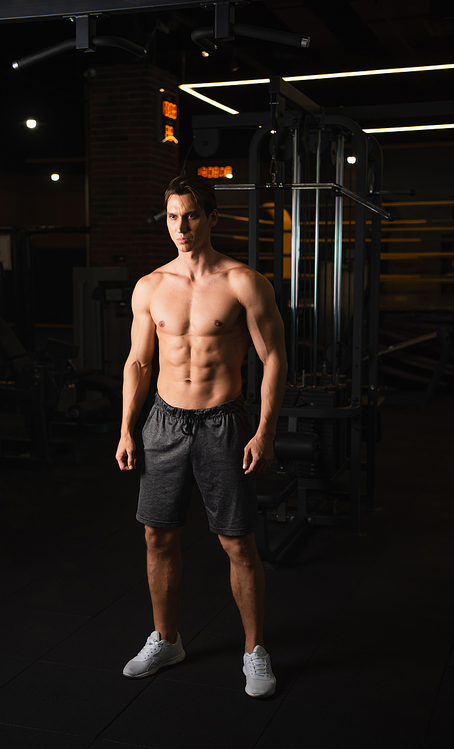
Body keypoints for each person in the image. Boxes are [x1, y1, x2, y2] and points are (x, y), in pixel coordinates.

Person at [115, 175, 287, 698]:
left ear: (211, 217)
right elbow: (140, 361)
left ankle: (254, 651)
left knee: (236, 541)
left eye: (190, 215)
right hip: (163, 422)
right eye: (172, 216)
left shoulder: (243, 282)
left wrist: (264, 430)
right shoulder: (149, 286)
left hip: (223, 422)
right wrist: (126, 427)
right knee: (157, 535)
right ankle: (166, 639)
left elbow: (274, 357)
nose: (181, 227)